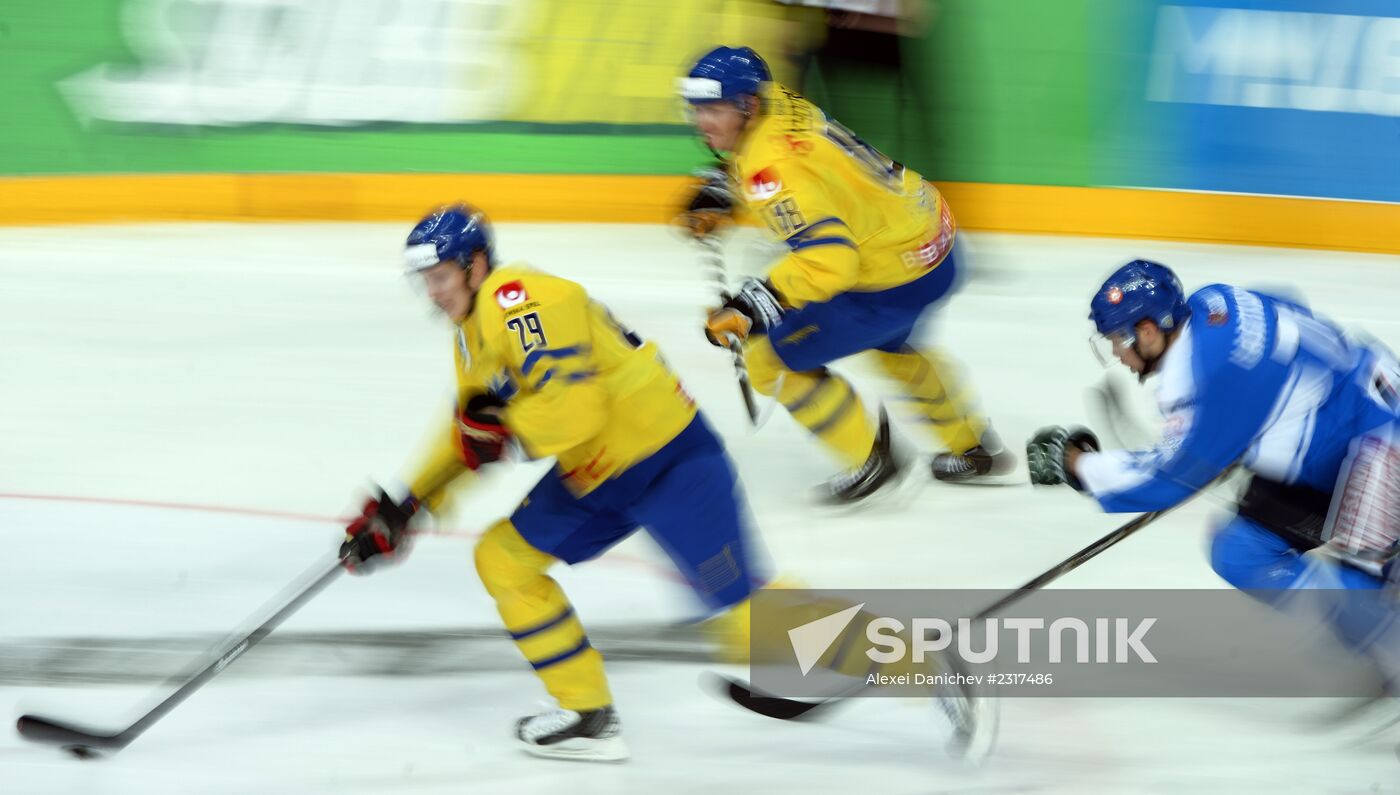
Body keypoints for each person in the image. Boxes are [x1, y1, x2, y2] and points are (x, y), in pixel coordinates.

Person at [336, 204, 771, 762]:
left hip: (665, 461)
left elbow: (574, 409)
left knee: (741, 606)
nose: (433, 293)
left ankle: (899, 658)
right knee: (504, 560)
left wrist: (505, 428)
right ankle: (589, 714)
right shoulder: (472, 332)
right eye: (425, 282)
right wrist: (405, 503)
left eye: (440, 277)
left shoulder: (517, 299)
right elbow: (468, 431)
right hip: (602, 475)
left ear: (474, 264)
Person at [1027, 259, 1400, 689]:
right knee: (1241, 551)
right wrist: (1254, 423)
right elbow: (1286, 301)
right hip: (1352, 421)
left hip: (1377, 449)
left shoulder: (1200, 376)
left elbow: (1165, 478)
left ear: (1148, 331)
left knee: (1366, 595)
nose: (1116, 352)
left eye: (1117, 338)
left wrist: (1077, 465)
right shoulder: (1212, 302)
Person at [675, 45, 1011, 504]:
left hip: (889, 277)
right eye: (697, 110)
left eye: (713, 110)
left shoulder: (769, 168)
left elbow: (830, 260)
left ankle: (870, 460)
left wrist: (754, 305)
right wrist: (722, 184)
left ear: (745, 105)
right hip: (935, 243)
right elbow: (797, 160)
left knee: (767, 358)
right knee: (894, 347)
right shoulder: (778, 99)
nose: (703, 123)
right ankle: (971, 446)